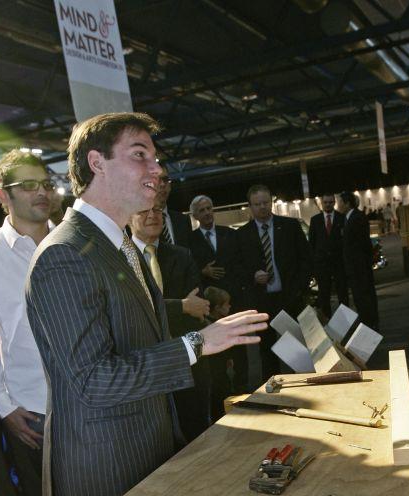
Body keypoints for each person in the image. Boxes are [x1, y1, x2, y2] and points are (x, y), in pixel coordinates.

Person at [24, 112, 267, 496]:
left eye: (155, 158)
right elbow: (94, 380)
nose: (157, 169)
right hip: (108, 467)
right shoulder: (64, 254)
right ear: (96, 162)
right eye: (140, 155)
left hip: (147, 450)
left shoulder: (119, 247)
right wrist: (197, 343)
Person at [0, 150, 52, 496]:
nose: (42, 192)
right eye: (27, 185)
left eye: (46, 183)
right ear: (3, 195)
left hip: (95, 398)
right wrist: (5, 408)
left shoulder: (73, 242)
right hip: (32, 412)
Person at [129, 202, 212, 441]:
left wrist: (185, 307)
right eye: (143, 210)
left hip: (186, 361)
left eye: (157, 210)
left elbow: (199, 307)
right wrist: (181, 306)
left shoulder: (181, 254)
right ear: (127, 218)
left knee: (195, 436)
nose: (152, 215)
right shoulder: (119, 261)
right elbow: (133, 310)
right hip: (145, 364)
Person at [236, 184, 311, 379]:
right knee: (267, 354)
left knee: (297, 350)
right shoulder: (242, 235)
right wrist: (253, 276)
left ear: (271, 202)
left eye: (265, 202)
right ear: (250, 206)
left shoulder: (290, 226)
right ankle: (275, 395)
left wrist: (299, 289)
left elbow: (306, 259)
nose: (262, 207)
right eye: (257, 204)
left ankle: (305, 387)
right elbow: (238, 268)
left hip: (290, 298)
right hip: (262, 302)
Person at [189, 195, 247, 390]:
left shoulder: (230, 234)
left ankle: (244, 389)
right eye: (202, 210)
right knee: (218, 357)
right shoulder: (190, 241)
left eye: (209, 208)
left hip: (233, 303)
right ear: (195, 215)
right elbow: (189, 271)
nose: (206, 213)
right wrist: (203, 271)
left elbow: (240, 263)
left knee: (240, 350)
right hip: (210, 308)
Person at [337, 191, 378, 330]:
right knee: (359, 297)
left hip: (360, 267)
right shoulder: (347, 218)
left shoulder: (358, 217)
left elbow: (363, 243)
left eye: (340, 202)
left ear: (347, 203)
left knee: (365, 296)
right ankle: (366, 322)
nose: (338, 206)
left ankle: (370, 324)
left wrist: (364, 263)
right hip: (353, 267)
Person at [308, 193, 348, 318]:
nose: (328, 205)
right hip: (322, 264)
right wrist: (314, 265)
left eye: (330, 202)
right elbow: (312, 243)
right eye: (325, 202)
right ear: (322, 203)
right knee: (324, 294)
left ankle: (346, 320)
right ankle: (327, 320)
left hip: (339, 263)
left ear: (334, 202)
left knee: (343, 293)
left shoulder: (342, 218)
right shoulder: (315, 220)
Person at [203, 286, 234, 421]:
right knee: (219, 399)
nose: (229, 306)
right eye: (226, 304)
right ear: (217, 308)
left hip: (221, 368)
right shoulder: (212, 326)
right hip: (215, 373)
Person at [156, 163, 193, 247]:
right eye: (157, 179)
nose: (162, 184)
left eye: (165, 179)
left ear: (170, 186)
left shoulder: (183, 220)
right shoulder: (141, 222)